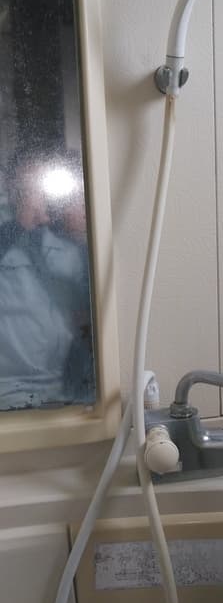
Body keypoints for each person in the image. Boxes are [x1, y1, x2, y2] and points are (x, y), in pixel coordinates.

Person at [0, 152, 96, 411]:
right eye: (25, 189)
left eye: (39, 189)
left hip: (64, 391)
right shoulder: (6, 242)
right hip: (8, 392)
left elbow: (86, 323)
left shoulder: (71, 253)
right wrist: (23, 222)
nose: (35, 197)